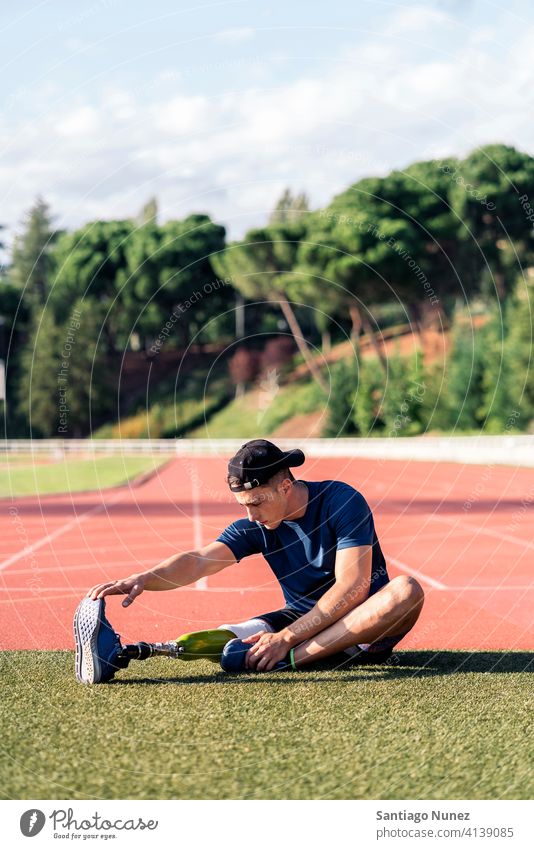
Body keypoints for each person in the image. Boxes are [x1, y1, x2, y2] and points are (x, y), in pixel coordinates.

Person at [74, 439, 424, 683]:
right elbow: (199, 561)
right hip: (300, 619)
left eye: (257, 502)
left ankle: (287, 661)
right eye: (243, 505)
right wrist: (145, 578)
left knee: (405, 591)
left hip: (362, 623)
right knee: (231, 642)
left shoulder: (340, 501)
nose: (251, 515)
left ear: (285, 487)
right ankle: (119, 654)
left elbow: (354, 587)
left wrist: (286, 639)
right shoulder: (257, 525)